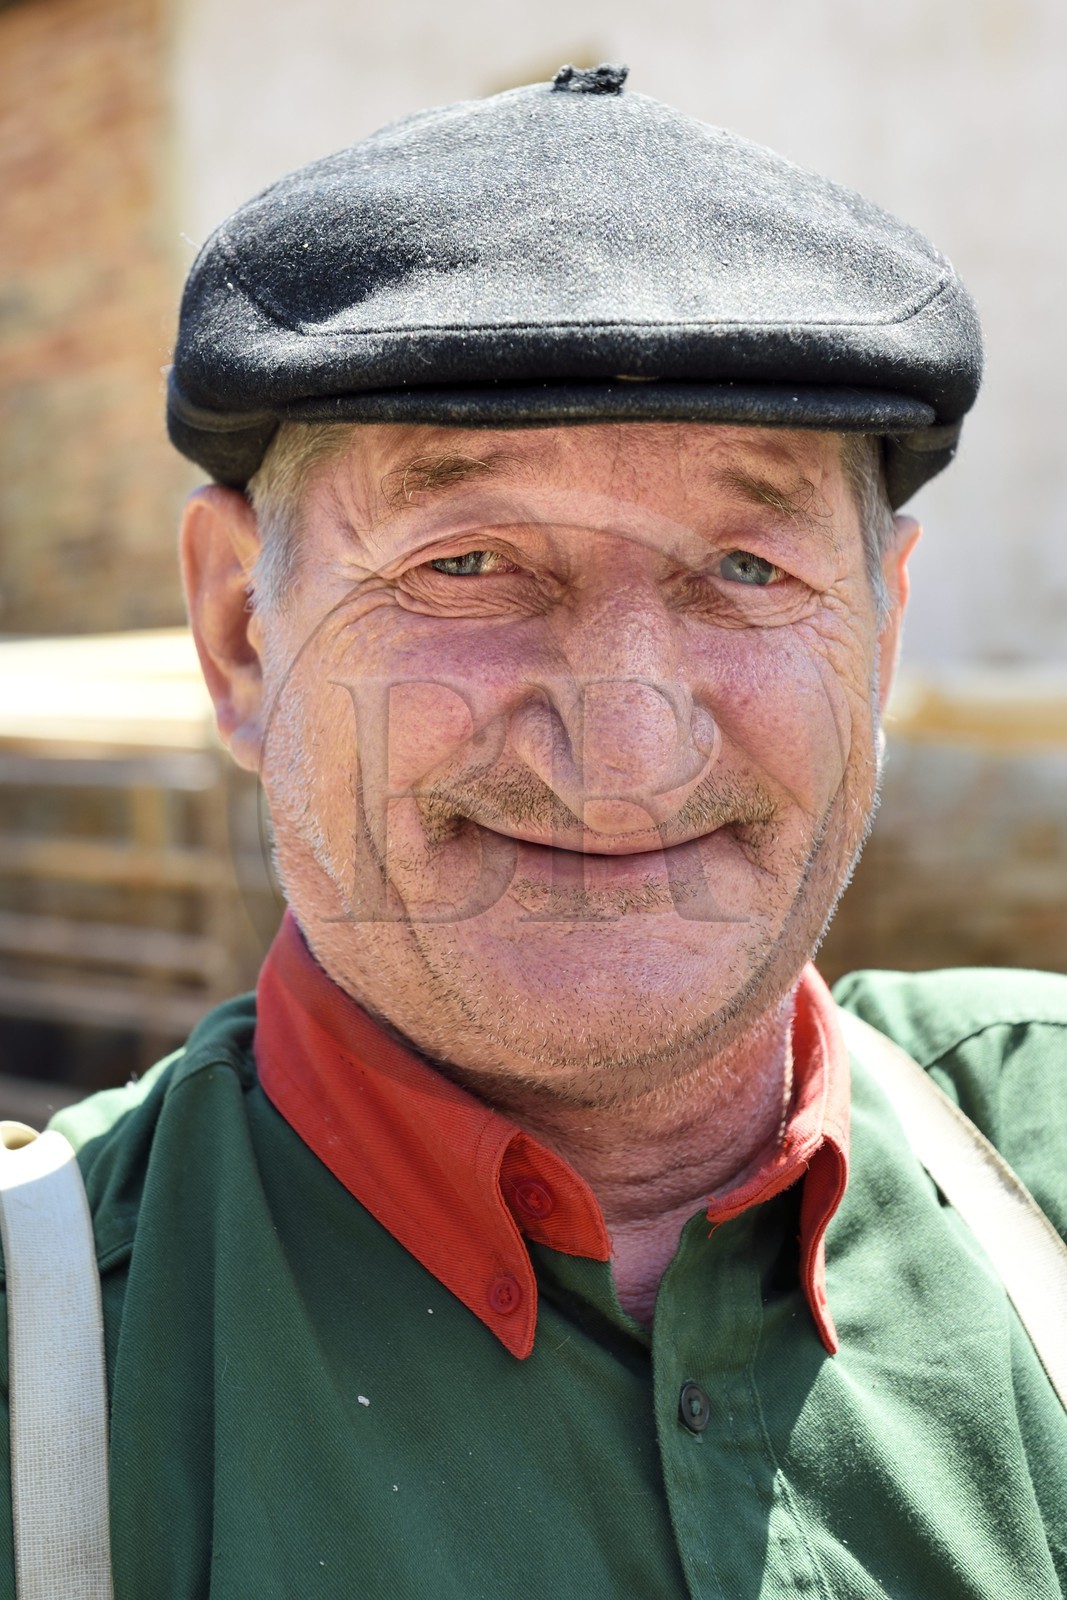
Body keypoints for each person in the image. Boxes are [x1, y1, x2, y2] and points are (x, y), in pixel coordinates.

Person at [4, 65, 1067, 1599]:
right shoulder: (42, 1361)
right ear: (241, 634)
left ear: (882, 637)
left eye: (748, 569)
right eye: (470, 561)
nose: (625, 750)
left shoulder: (1043, 1162)